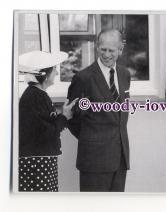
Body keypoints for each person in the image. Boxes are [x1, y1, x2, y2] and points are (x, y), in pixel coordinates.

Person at [67, 29, 131, 192]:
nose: (107, 54)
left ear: (120, 50)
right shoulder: (83, 78)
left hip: (120, 159)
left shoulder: (125, 75)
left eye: (112, 50)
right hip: (94, 160)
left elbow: (121, 114)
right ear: (97, 48)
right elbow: (72, 119)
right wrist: (93, 139)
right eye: (103, 49)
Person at [18, 51, 78, 192]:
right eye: (54, 70)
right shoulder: (35, 97)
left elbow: (43, 125)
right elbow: (46, 132)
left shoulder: (37, 95)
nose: (56, 74)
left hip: (40, 160)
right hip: (37, 163)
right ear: (44, 75)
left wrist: (64, 114)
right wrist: (64, 117)